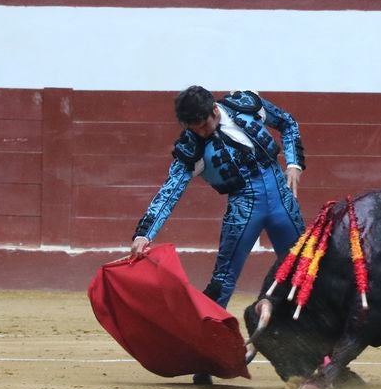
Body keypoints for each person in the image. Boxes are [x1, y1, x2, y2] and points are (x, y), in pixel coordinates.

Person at [128, 85, 306, 315]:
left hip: (282, 197)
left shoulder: (245, 106)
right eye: (195, 128)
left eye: (203, 125)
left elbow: (288, 123)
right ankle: (205, 337)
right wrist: (145, 233)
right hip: (244, 207)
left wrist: (294, 164)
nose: (201, 132)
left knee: (302, 265)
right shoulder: (192, 147)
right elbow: (170, 191)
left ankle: (307, 331)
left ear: (214, 109)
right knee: (223, 279)